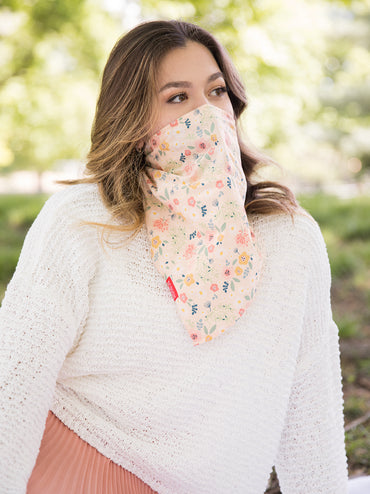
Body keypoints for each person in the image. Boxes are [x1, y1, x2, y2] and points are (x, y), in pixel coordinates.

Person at [0, 20, 350, 494]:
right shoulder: (79, 220)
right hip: (73, 461)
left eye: (217, 91)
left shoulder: (290, 237)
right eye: (177, 98)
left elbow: (311, 395)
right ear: (132, 119)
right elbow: (14, 381)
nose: (205, 113)